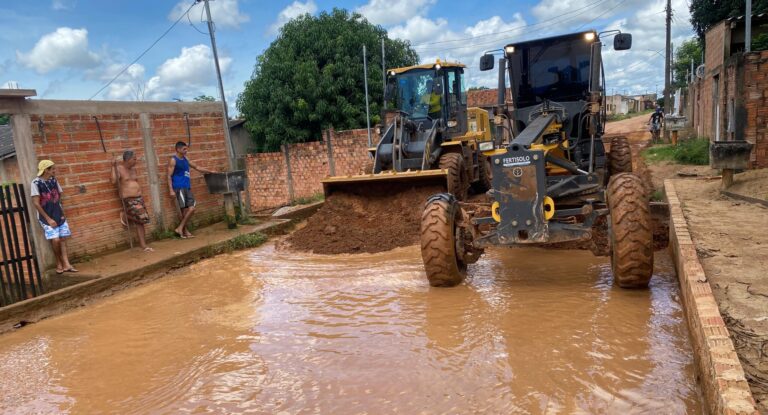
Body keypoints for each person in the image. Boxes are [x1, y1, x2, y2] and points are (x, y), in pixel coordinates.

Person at [30, 160, 77, 274]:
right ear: (46, 170)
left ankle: (67, 264)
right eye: (53, 169)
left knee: (63, 239)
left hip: (59, 214)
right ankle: (59, 262)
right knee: (55, 240)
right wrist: (48, 219)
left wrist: (61, 213)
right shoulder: (35, 183)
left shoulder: (54, 180)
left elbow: (59, 196)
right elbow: (36, 203)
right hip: (46, 217)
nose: (55, 170)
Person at [167, 141, 214, 239]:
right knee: (183, 211)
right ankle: (185, 231)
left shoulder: (186, 159)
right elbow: (169, 176)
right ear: (178, 149)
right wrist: (171, 190)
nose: (186, 150)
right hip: (179, 187)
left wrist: (210, 171)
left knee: (191, 209)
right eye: (184, 149)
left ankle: (180, 228)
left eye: (186, 149)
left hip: (187, 187)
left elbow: (196, 167)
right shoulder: (173, 160)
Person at [112, 150, 153, 252]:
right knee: (140, 219)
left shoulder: (133, 169)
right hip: (128, 199)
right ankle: (125, 216)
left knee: (142, 221)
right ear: (128, 159)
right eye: (134, 159)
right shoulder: (119, 168)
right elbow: (113, 181)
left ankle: (143, 245)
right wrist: (113, 166)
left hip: (139, 198)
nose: (136, 160)